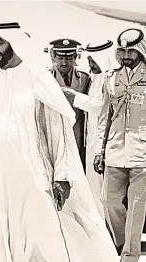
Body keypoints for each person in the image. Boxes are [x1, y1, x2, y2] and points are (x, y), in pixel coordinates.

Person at [0, 21, 124, 262]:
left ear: (13, 42)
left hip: (33, 175)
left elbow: (59, 132)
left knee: (42, 233)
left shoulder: (37, 80)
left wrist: (61, 175)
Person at [95, 28, 146, 262]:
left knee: (137, 206)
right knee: (109, 200)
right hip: (115, 148)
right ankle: (122, 243)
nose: (126, 56)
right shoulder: (109, 78)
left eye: (131, 51)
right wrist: (99, 151)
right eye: (122, 51)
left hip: (142, 152)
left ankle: (129, 257)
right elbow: (104, 117)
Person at [61, 39, 117, 215]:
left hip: (103, 141)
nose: (90, 64)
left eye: (93, 60)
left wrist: (75, 97)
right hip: (89, 141)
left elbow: (101, 107)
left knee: (104, 192)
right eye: (89, 60)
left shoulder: (111, 79)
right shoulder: (93, 78)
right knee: (92, 189)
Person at [49, 39, 91, 169]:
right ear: (54, 57)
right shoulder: (46, 77)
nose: (64, 62)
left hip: (76, 132)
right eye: (60, 58)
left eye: (69, 58)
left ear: (75, 58)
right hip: (53, 131)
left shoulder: (84, 77)